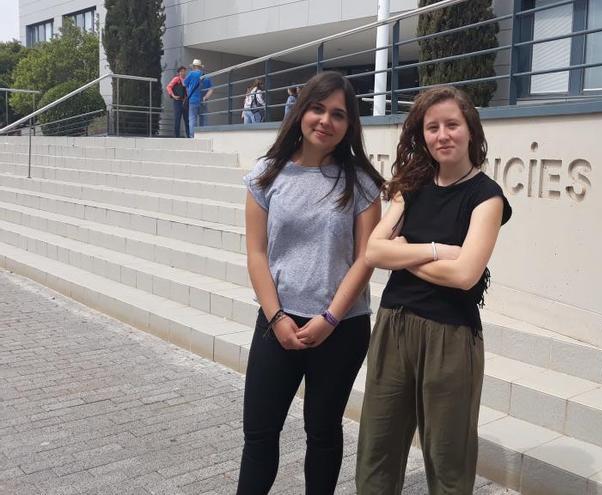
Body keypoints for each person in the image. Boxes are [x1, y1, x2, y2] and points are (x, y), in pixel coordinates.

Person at [356, 86, 512, 494]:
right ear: (422, 135)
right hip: (394, 327)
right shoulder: (413, 185)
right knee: (377, 448)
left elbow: (465, 277)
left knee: (448, 459)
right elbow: (373, 250)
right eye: (432, 127)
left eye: (452, 125)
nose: (443, 135)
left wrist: (405, 255)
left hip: (451, 336)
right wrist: (438, 251)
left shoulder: (487, 197)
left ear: (470, 130)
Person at [237, 71, 384, 495]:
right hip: (276, 324)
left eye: (338, 114)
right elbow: (257, 254)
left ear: (349, 125)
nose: (325, 120)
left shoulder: (361, 183)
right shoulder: (267, 174)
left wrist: (330, 317)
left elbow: (365, 260)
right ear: (301, 111)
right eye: (317, 108)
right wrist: (277, 316)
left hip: (341, 328)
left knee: (322, 432)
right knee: (260, 435)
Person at [183, 59, 214, 137]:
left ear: (193, 66)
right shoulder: (205, 76)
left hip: (193, 100)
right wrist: (206, 97)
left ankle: (193, 136)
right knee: (204, 118)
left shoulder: (191, 74)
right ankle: (204, 136)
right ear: (200, 67)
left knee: (192, 119)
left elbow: (184, 84)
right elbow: (211, 89)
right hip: (203, 101)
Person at [165, 66, 189, 138]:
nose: (183, 72)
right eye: (181, 71)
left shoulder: (187, 79)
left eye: (184, 71)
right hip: (178, 102)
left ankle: (189, 136)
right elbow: (168, 87)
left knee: (187, 120)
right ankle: (177, 136)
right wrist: (173, 96)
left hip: (185, 102)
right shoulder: (176, 79)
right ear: (179, 72)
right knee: (177, 119)